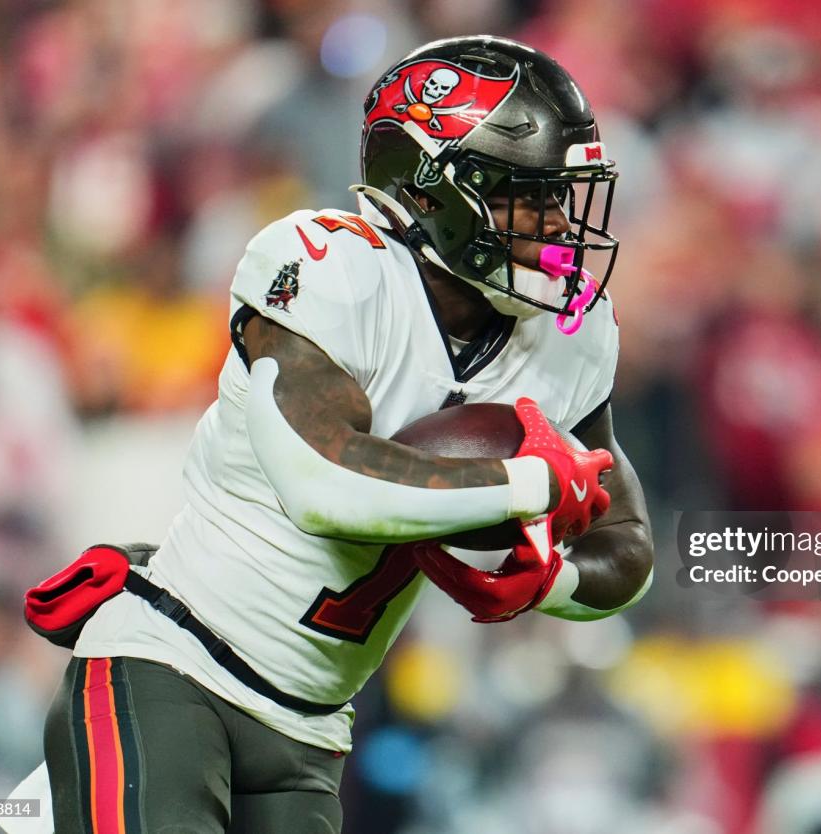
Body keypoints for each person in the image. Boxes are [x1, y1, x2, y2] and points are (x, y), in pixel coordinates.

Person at [36, 35, 653, 834]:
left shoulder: (566, 334)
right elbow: (322, 486)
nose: (554, 224)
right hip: (172, 670)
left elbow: (626, 545)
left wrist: (547, 583)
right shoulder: (326, 267)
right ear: (432, 191)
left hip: (311, 733)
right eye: (521, 195)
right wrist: (531, 483)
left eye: (560, 197)